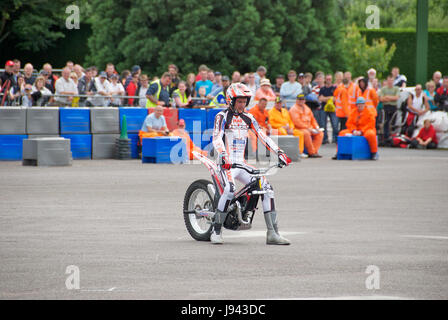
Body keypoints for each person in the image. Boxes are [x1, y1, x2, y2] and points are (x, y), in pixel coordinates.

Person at [211, 82, 291, 245]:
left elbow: (263, 136)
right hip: (225, 163)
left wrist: (279, 152)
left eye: (244, 101)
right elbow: (217, 138)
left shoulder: (249, 118)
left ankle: (272, 233)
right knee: (229, 189)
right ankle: (216, 230)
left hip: (241, 164)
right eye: (239, 101)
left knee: (267, 188)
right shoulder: (222, 116)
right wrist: (224, 155)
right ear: (230, 100)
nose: (242, 105)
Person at [289, 94, 323, 158]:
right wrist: (308, 128)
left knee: (320, 133)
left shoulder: (307, 108)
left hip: (309, 128)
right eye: (299, 99)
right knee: (306, 133)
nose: (301, 101)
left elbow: (313, 119)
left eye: (302, 99)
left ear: (304, 100)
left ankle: (314, 151)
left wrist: (316, 127)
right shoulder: (294, 109)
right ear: (296, 100)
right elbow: (297, 122)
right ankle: (311, 152)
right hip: (299, 128)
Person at [378, 75, 400, 142]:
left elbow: (396, 98)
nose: (390, 82)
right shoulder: (383, 89)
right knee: (386, 121)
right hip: (386, 107)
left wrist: (387, 97)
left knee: (393, 122)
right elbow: (381, 99)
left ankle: (392, 136)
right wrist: (391, 98)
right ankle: (386, 137)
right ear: (387, 81)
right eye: (389, 80)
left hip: (393, 107)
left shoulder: (396, 88)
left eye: (391, 80)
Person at [318, 74, 338, 143]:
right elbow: (320, 98)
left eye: (330, 79)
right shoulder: (322, 88)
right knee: (323, 124)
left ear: (331, 80)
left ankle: (335, 138)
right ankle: (324, 139)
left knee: (335, 124)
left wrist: (325, 98)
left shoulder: (334, 88)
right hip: (324, 108)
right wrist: (330, 98)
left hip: (332, 109)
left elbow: (336, 98)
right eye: (327, 79)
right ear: (325, 80)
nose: (328, 80)